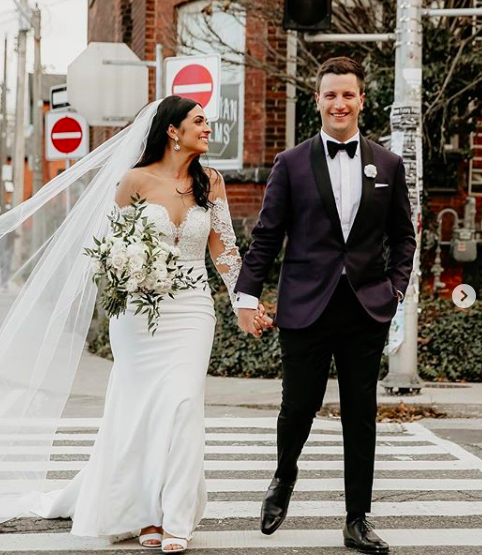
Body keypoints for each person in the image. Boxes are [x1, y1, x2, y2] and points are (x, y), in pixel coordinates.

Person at [33, 95, 271, 552]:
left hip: (193, 308)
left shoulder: (211, 182)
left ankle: (175, 516)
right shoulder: (133, 181)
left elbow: (223, 250)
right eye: (199, 121)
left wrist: (244, 302)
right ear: (173, 131)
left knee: (182, 404)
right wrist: (130, 270)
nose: (208, 128)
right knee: (141, 410)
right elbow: (110, 249)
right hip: (138, 316)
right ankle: (145, 515)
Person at [235, 57, 416, 554]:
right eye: (331, 95)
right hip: (305, 307)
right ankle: (283, 479)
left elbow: (404, 236)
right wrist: (246, 296)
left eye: (348, 94)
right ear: (317, 100)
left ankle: (357, 519)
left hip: (365, 309)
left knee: (361, 414)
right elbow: (267, 235)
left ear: (362, 100)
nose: (340, 103)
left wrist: (396, 288)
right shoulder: (291, 163)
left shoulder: (388, 164)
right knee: (298, 406)